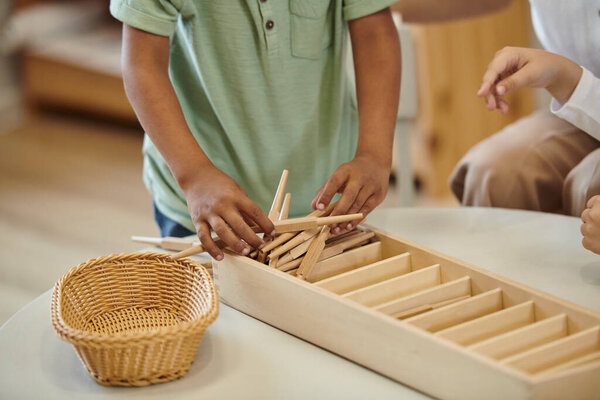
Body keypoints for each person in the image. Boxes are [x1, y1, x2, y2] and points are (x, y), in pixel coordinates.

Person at [110, 1, 401, 260]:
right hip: (204, 205)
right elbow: (142, 63)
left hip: (328, 208)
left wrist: (374, 154)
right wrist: (195, 175)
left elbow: (376, 34)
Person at [394, 0, 600, 254]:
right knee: (491, 174)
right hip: (577, 95)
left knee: (588, 183)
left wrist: (563, 76)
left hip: (576, 88)